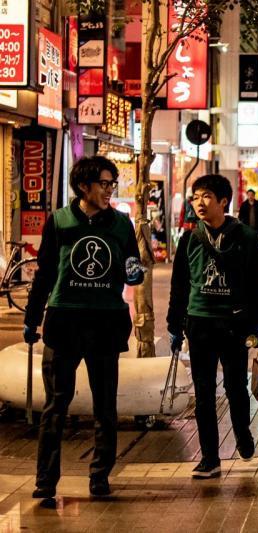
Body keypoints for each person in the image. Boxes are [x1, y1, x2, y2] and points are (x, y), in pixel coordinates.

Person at [24, 156, 146, 499]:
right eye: (104, 184)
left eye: (112, 184)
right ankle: (45, 480)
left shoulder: (122, 224)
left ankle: (100, 476)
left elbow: (130, 268)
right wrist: (32, 318)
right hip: (64, 321)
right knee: (55, 404)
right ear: (84, 187)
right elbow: (45, 272)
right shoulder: (60, 221)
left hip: (106, 322)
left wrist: (134, 274)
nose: (109, 190)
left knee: (105, 405)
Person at [167, 174, 258, 479]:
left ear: (224, 201)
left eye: (207, 196)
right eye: (196, 196)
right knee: (203, 392)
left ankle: (242, 433)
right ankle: (209, 457)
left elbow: (257, 284)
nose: (199, 202)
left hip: (234, 324)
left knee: (235, 387)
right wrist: (175, 325)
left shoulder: (246, 238)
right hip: (199, 324)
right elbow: (179, 287)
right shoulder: (188, 239)